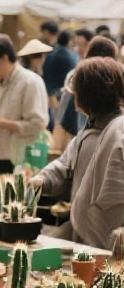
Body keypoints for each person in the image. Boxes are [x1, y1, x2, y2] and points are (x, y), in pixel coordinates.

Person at [33, 57, 124, 250]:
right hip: (85, 241)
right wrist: (42, 179)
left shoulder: (118, 131)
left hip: (111, 244)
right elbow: (63, 166)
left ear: (88, 95)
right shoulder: (87, 132)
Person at [0, 34, 49, 174]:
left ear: (4, 58)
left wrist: (2, 123)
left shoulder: (30, 82)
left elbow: (38, 124)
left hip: (19, 161)